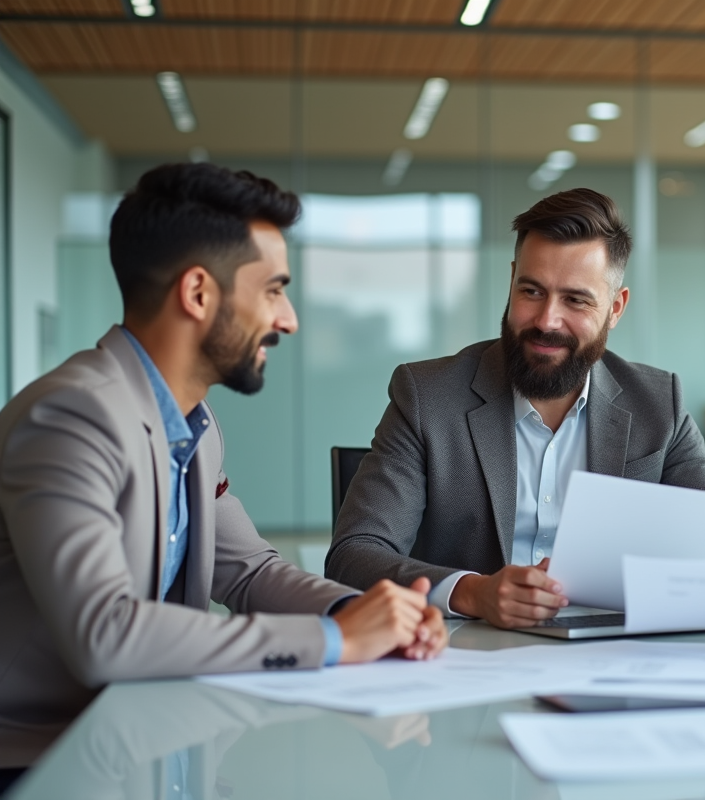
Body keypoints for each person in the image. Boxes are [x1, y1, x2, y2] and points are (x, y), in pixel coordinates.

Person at [0, 163, 448, 727]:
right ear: (197, 293)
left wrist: (363, 613)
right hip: (45, 758)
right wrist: (333, 639)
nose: (288, 320)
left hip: (146, 733)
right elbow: (104, 634)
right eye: (273, 290)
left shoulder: (195, 423)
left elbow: (248, 572)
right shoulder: (72, 416)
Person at [326, 188, 705, 629]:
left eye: (575, 300)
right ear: (511, 280)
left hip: (615, 660)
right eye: (531, 291)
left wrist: (636, 593)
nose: (547, 320)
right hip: (467, 660)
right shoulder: (427, 397)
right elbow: (354, 554)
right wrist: (474, 592)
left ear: (615, 308)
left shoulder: (658, 403)